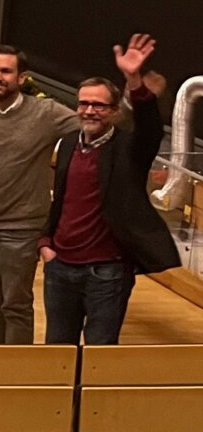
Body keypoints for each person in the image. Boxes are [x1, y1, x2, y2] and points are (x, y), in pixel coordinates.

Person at [41, 35, 178, 345]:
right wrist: (45, 242)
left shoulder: (129, 149)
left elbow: (149, 128)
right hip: (59, 268)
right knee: (57, 353)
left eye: (99, 105)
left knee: (98, 357)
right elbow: (61, 199)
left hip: (106, 273)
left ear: (115, 111)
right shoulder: (68, 144)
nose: (89, 110)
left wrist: (134, 79)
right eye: (84, 103)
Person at [0, 45, 78, 346]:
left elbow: (91, 124)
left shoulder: (47, 113)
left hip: (24, 229)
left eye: (5, 71)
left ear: (22, 78)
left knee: (16, 305)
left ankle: (18, 369)